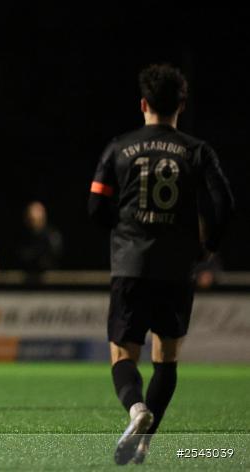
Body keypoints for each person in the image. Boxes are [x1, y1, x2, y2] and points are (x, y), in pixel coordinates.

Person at [88, 64, 234, 464]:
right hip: (176, 267)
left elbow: (96, 205)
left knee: (122, 356)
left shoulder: (119, 148)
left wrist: (120, 233)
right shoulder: (197, 150)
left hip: (131, 264)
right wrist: (210, 245)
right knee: (166, 358)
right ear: (180, 106)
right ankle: (146, 442)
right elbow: (225, 203)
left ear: (143, 104)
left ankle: (136, 411)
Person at [16, 201, 63, 281]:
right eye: (30, 219)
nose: (32, 222)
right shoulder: (23, 236)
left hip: (50, 280)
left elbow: (54, 257)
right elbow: (21, 255)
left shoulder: (51, 235)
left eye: (35, 219)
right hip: (27, 281)